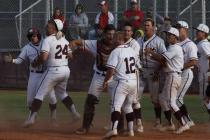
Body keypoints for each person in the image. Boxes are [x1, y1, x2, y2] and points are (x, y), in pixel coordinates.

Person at [23, 19, 80, 127]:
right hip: (65, 70)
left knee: (39, 94)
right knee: (62, 94)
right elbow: (71, 56)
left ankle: (31, 119)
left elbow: (43, 58)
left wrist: (35, 62)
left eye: (49, 26)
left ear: (54, 28)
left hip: (53, 70)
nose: (46, 28)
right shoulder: (64, 40)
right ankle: (74, 113)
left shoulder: (48, 40)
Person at [3, 28, 58, 125]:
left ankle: (53, 118)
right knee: (29, 101)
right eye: (31, 36)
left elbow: (55, 41)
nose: (33, 38)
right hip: (34, 75)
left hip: (46, 74)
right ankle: (34, 116)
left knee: (52, 97)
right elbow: (19, 60)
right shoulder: (27, 48)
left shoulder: (45, 43)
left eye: (35, 35)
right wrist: (12, 60)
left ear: (38, 36)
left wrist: (60, 35)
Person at [69, 24, 116, 134]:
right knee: (90, 101)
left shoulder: (117, 46)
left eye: (113, 34)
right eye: (109, 34)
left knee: (117, 102)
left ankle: (120, 127)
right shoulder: (97, 44)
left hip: (114, 77)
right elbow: (77, 42)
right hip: (99, 76)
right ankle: (85, 127)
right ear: (104, 34)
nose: (111, 36)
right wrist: (70, 47)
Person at [145, 27, 190, 134]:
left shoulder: (175, 47)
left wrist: (150, 52)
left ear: (175, 37)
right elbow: (164, 62)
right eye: (167, 34)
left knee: (171, 102)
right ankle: (170, 124)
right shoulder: (172, 46)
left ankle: (184, 124)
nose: (168, 36)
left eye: (170, 35)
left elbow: (162, 59)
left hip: (173, 76)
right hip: (171, 76)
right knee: (162, 99)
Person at [103, 31, 138, 138]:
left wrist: (105, 81)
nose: (112, 40)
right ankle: (131, 131)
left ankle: (113, 130)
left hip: (122, 82)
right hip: (133, 82)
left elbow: (110, 70)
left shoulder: (116, 51)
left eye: (114, 38)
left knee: (116, 106)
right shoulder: (131, 50)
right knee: (128, 106)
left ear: (119, 39)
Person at [137, 18, 166, 129]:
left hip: (154, 71)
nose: (146, 27)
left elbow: (164, 59)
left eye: (148, 25)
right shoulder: (139, 40)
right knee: (136, 98)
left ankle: (158, 121)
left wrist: (157, 71)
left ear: (153, 27)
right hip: (141, 70)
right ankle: (138, 122)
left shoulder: (159, 41)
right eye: (145, 25)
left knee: (155, 99)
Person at [175, 21, 198, 128]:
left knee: (177, 99)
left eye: (180, 28)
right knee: (175, 99)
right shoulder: (176, 43)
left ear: (186, 30)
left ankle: (188, 121)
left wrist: (179, 67)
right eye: (177, 28)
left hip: (186, 73)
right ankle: (185, 120)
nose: (178, 30)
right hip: (178, 74)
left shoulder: (190, 44)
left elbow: (193, 62)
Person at [123, 22, 143, 133]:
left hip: (133, 73)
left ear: (132, 33)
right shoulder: (120, 42)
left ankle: (139, 123)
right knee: (123, 101)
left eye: (129, 31)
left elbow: (132, 59)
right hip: (122, 75)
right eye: (125, 30)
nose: (126, 32)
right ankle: (123, 125)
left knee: (134, 101)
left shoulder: (134, 43)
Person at [193, 24, 210, 117]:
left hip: (205, 75)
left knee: (205, 100)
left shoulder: (204, 44)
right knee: (206, 100)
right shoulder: (201, 44)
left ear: (204, 33)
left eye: (199, 31)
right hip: (204, 74)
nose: (196, 32)